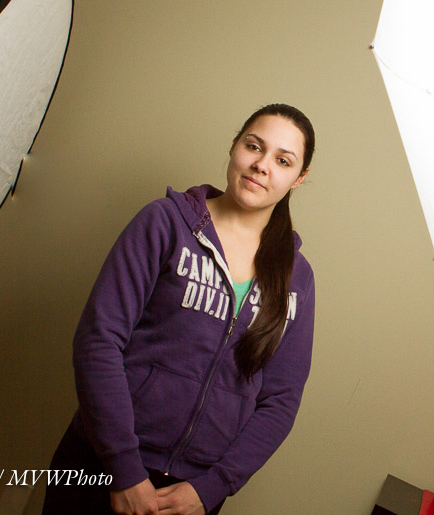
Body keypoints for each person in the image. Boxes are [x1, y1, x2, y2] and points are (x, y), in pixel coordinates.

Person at [43, 104, 316, 515]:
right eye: (254, 146)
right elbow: (98, 341)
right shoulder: (164, 224)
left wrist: (212, 488)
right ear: (234, 146)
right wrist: (124, 469)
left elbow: (281, 400)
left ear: (299, 178)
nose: (262, 165)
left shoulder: (298, 278)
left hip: (193, 493)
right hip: (101, 464)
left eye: (283, 160)